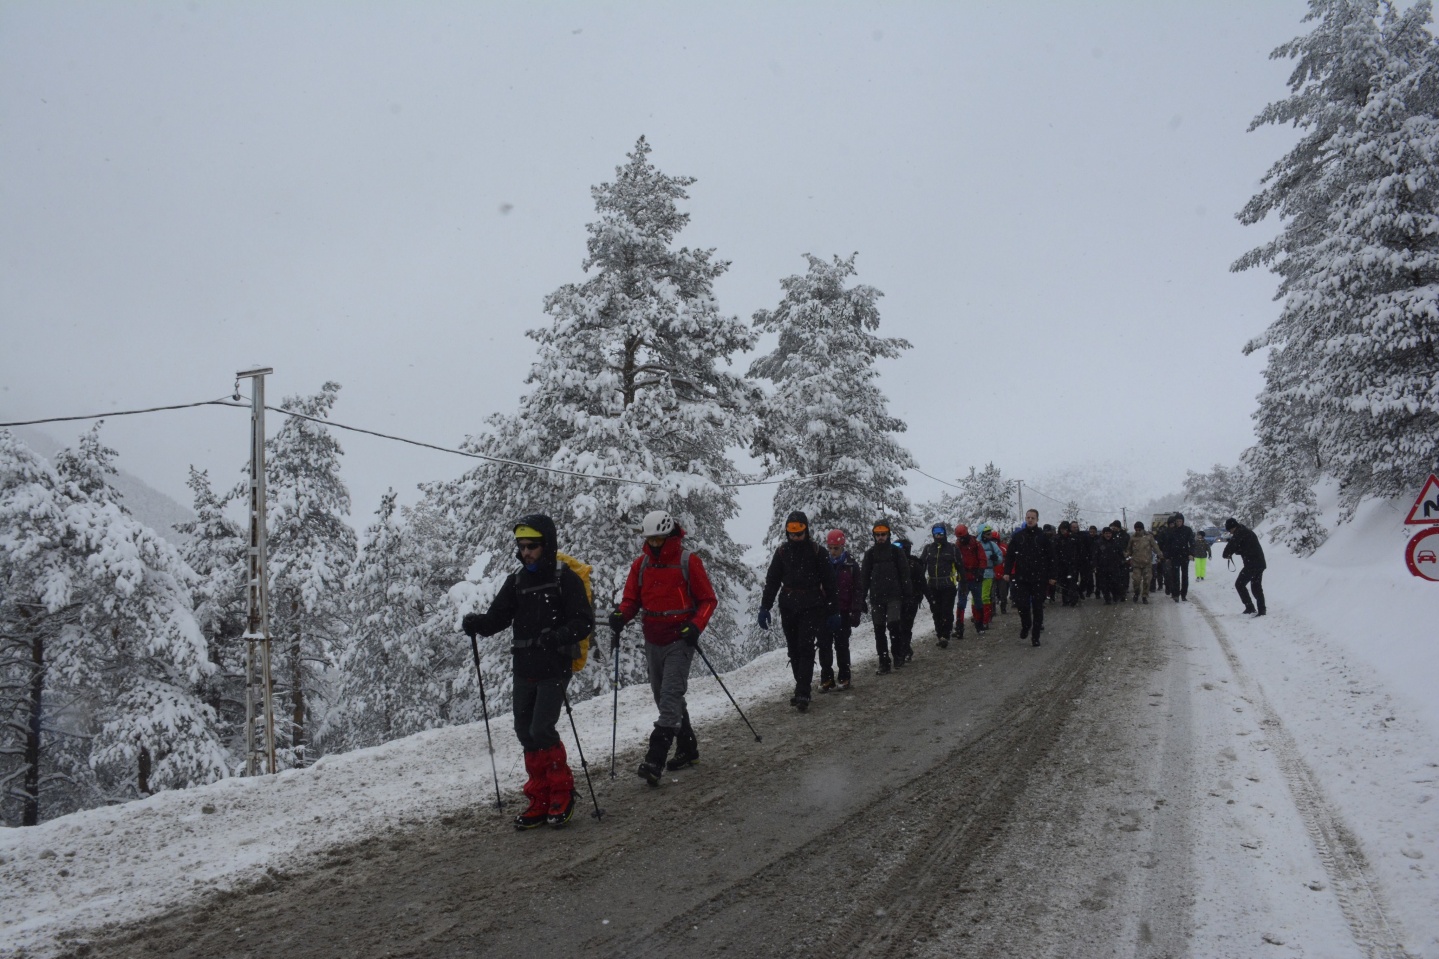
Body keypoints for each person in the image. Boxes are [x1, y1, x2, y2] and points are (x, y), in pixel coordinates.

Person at [462, 514, 594, 830]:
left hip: (555, 666)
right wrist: (477, 623)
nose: (526, 553)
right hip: (524, 667)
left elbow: (583, 622)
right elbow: (497, 620)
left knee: (541, 728)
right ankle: (540, 797)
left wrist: (558, 636)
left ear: (546, 545)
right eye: (521, 547)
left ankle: (562, 792)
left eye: (532, 546)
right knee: (525, 730)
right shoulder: (517, 582)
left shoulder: (566, 579)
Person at [611, 509, 719, 785]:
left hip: (680, 639)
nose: (654, 544)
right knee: (663, 697)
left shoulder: (688, 561)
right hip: (653, 638)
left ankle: (654, 759)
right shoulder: (642, 564)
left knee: (670, 696)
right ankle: (688, 748)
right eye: (651, 540)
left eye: (658, 539)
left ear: (669, 534)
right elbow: (631, 600)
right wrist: (621, 615)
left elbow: (708, 600)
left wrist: (695, 626)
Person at [759, 511, 839, 711]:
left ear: (806, 531)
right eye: (792, 534)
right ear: (787, 533)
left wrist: (833, 610)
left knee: (805, 647)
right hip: (788, 607)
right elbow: (772, 582)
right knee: (793, 650)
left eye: (799, 534)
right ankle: (801, 686)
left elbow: (830, 584)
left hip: (812, 607)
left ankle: (803, 691)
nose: (795, 538)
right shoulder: (782, 553)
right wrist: (764, 607)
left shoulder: (817, 552)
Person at [858, 520, 912, 674]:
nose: (880, 537)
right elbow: (864, 578)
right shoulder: (870, 554)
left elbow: (905, 575)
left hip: (894, 596)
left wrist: (908, 595)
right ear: (874, 536)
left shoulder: (896, 552)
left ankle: (897, 655)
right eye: (878, 535)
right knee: (879, 629)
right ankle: (883, 661)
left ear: (888, 534)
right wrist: (861, 598)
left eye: (883, 534)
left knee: (894, 625)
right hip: (877, 598)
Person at [1003, 509, 1056, 646]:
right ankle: (1026, 625)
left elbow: (1051, 558)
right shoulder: (1018, 536)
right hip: (1022, 578)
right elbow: (1010, 556)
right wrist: (1007, 571)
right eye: (1028, 517)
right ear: (1025, 519)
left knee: (1038, 607)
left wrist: (1052, 576)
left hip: (1039, 578)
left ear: (1037, 519)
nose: (1030, 520)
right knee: (1022, 605)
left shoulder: (1043, 537)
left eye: (1033, 518)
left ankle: (1035, 636)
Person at [821, 529, 864, 691]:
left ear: (842, 546)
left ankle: (844, 677)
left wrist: (856, 611)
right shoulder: (823, 565)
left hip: (843, 612)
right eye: (830, 548)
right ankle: (827, 678)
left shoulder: (851, 566)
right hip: (825, 613)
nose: (833, 551)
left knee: (841, 646)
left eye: (836, 548)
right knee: (824, 646)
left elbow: (857, 590)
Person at [919, 522, 962, 647]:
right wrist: (919, 583)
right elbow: (921, 566)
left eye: (941, 533)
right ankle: (940, 634)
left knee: (946, 611)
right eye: (936, 533)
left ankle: (946, 634)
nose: (938, 536)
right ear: (933, 534)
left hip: (948, 585)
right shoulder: (928, 549)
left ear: (945, 533)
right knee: (936, 612)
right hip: (932, 586)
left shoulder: (952, 549)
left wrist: (963, 581)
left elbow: (960, 566)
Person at [1222, 517, 1268, 616]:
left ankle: (1250, 607)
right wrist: (1237, 551)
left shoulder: (1239, 533)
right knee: (1256, 587)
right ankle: (1261, 609)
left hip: (1252, 564)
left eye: (1230, 530)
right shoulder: (1246, 532)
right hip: (1259, 563)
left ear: (1233, 527)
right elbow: (1244, 547)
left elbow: (1231, 546)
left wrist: (1227, 554)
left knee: (1240, 584)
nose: (1230, 533)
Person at [895, 538, 927, 663]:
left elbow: (923, 584)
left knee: (904, 626)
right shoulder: (897, 563)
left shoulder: (913, 564)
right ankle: (904, 650)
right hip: (900, 600)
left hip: (911, 600)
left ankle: (904, 650)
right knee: (902, 626)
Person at [954, 524, 988, 638]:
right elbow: (955, 561)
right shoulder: (958, 546)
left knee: (978, 602)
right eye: (960, 538)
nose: (961, 539)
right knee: (961, 603)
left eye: (962, 537)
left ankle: (979, 625)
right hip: (964, 579)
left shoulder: (976, 544)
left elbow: (983, 559)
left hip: (974, 577)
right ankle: (959, 627)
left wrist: (980, 572)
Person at [1125, 521, 1163, 604]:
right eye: (1136, 530)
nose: (1138, 531)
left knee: (1147, 580)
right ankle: (1136, 593)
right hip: (1136, 564)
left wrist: (1160, 555)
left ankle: (1145, 596)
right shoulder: (1132, 538)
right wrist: (1125, 555)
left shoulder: (1149, 537)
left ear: (1142, 529)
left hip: (1147, 564)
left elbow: (1155, 547)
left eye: (1139, 529)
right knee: (1136, 581)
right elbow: (1129, 550)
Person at [1162, 513, 1195, 602]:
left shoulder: (1187, 530)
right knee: (1175, 576)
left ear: (1183, 521)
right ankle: (1176, 594)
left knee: (1185, 576)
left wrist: (1191, 553)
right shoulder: (1172, 531)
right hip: (1174, 557)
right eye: (1177, 521)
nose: (1179, 523)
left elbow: (1192, 543)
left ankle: (1183, 594)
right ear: (1175, 522)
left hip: (1185, 556)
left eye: (1180, 521)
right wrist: (1167, 556)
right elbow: (1167, 545)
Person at [1094, 525, 1128, 604]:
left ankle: (1116, 596)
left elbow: (1121, 554)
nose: (1108, 535)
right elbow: (1095, 555)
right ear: (1103, 534)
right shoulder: (1098, 543)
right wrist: (1095, 565)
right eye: (1106, 533)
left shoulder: (1115, 542)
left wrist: (1123, 561)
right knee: (1104, 585)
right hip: (1102, 567)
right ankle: (1107, 599)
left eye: (1109, 533)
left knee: (1115, 583)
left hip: (1114, 567)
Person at [1054, 521, 1083, 606]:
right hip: (1062, 564)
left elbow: (1079, 550)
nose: (1063, 531)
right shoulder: (1058, 539)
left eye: (1065, 529)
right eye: (1062, 529)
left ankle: (1073, 599)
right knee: (1064, 583)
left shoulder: (1074, 538)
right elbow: (1055, 552)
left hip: (1072, 564)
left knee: (1072, 582)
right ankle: (1065, 599)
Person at [984, 526, 1009, 615]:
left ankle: (1003, 608)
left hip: (1001, 574)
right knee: (992, 594)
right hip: (992, 574)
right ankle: (993, 610)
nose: (994, 542)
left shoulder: (1003, 548)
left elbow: (1007, 560)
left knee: (1003, 593)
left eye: (995, 540)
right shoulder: (987, 547)